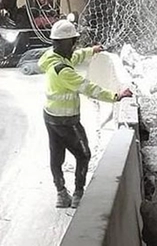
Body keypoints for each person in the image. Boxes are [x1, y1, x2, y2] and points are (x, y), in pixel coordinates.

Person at [39, 19, 131, 209]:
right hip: (67, 120)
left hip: (50, 117)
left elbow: (74, 57)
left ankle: (61, 194)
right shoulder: (63, 71)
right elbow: (88, 88)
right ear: (67, 43)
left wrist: (91, 50)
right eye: (73, 42)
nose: (75, 46)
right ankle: (79, 194)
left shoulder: (52, 57)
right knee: (84, 155)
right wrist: (116, 96)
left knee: (56, 156)